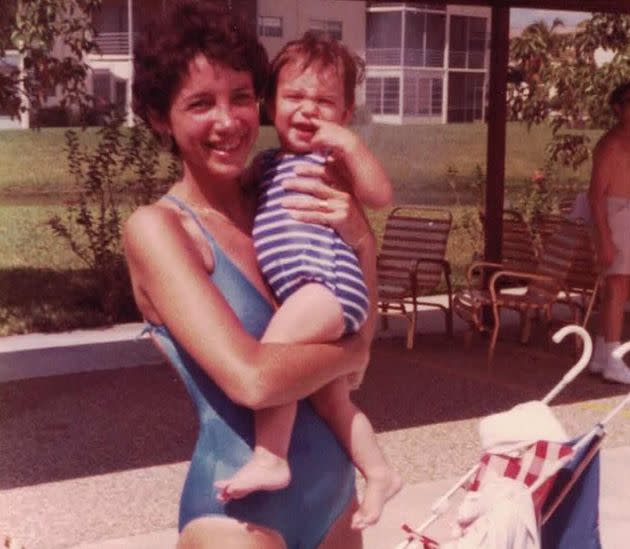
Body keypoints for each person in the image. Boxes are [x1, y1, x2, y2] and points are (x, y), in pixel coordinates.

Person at [125, 2, 379, 548]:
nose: (229, 120)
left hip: (335, 495)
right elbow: (253, 379)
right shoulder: (159, 230)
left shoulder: (278, 201)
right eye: (200, 103)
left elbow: (360, 325)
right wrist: (351, 353)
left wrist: (361, 238)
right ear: (158, 117)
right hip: (238, 514)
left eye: (240, 97)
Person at [214, 33, 402, 530]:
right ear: (271, 102)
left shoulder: (332, 161)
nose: (307, 110)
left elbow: (380, 195)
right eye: (294, 97)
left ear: (345, 112)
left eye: (324, 102)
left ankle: (271, 456)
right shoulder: (269, 165)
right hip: (309, 292)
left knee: (274, 352)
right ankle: (379, 471)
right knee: (331, 398)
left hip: (328, 285)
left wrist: (350, 145)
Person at [588, 81, 630, 384]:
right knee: (617, 288)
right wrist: (603, 239)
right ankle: (615, 361)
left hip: (625, 213)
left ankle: (602, 353)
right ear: (618, 109)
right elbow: (595, 196)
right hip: (616, 216)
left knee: (616, 289)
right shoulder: (611, 144)